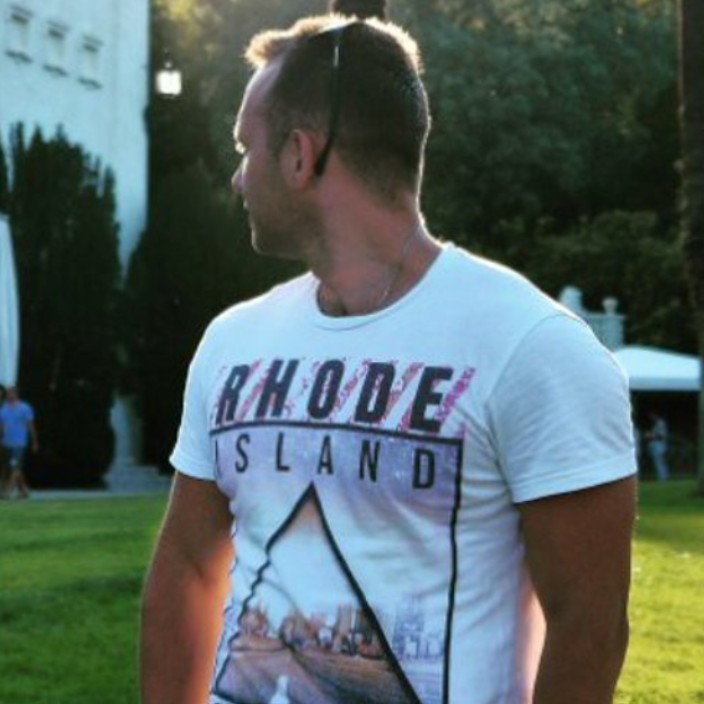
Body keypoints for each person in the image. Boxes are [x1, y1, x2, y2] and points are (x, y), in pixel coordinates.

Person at [141, 2, 637, 702]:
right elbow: (190, 566)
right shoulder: (233, 342)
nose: (238, 177)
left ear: (300, 154)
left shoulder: (533, 349)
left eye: (245, 149)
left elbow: (590, 626)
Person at [0, 385, 39, 499]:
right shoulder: (3, 409)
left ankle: (7, 492)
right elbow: (2, 426)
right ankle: (23, 491)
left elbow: (30, 426)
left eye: (11, 393)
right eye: (8, 393)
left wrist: (35, 441)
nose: (9, 395)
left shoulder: (25, 408)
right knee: (12, 467)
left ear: (16, 394)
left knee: (15, 468)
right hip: (7, 443)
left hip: (19, 443)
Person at [646, 412, 669, 481]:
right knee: (658, 462)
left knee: (660, 461)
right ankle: (662, 476)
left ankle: (663, 477)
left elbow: (661, 436)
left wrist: (651, 435)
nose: (651, 418)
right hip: (656, 445)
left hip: (659, 445)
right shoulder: (656, 424)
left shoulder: (660, 423)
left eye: (652, 416)